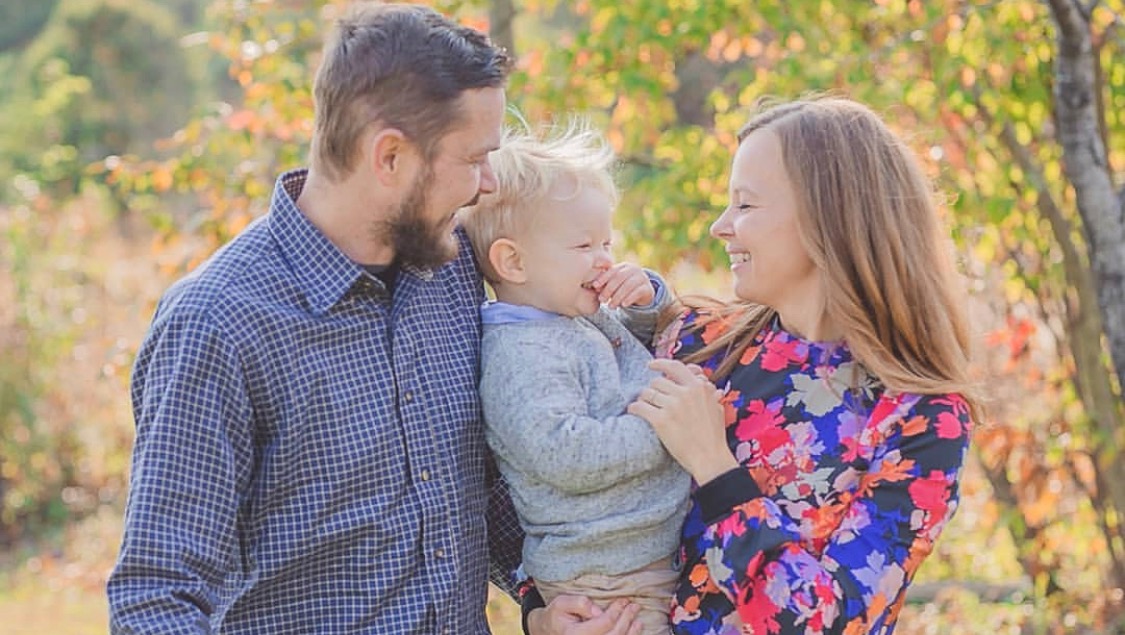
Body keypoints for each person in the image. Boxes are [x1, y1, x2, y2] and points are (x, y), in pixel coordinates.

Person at [108, 4, 534, 632]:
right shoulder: (217, 322)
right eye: (473, 160)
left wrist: (540, 595)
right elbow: (157, 597)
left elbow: (482, 480)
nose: (489, 184)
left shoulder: (451, 268)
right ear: (389, 157)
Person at [527, 96, 978, 635]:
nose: (720, 227)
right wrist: (541, 613)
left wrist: (713, 466)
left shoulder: (922, 418)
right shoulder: (695, 343)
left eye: (745, 205)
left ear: (827, 217)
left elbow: (831, 622)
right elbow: (544, 475)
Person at [459, 122, 694, 635]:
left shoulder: (570, 315)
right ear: (513, 262)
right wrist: (668, 428)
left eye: (607, 242)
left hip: (637, 555)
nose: (605, 259)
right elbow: (564, 453)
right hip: (608, 581)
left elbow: (628, 355)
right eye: (585, 245)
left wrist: (646, 300)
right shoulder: (520, 354)